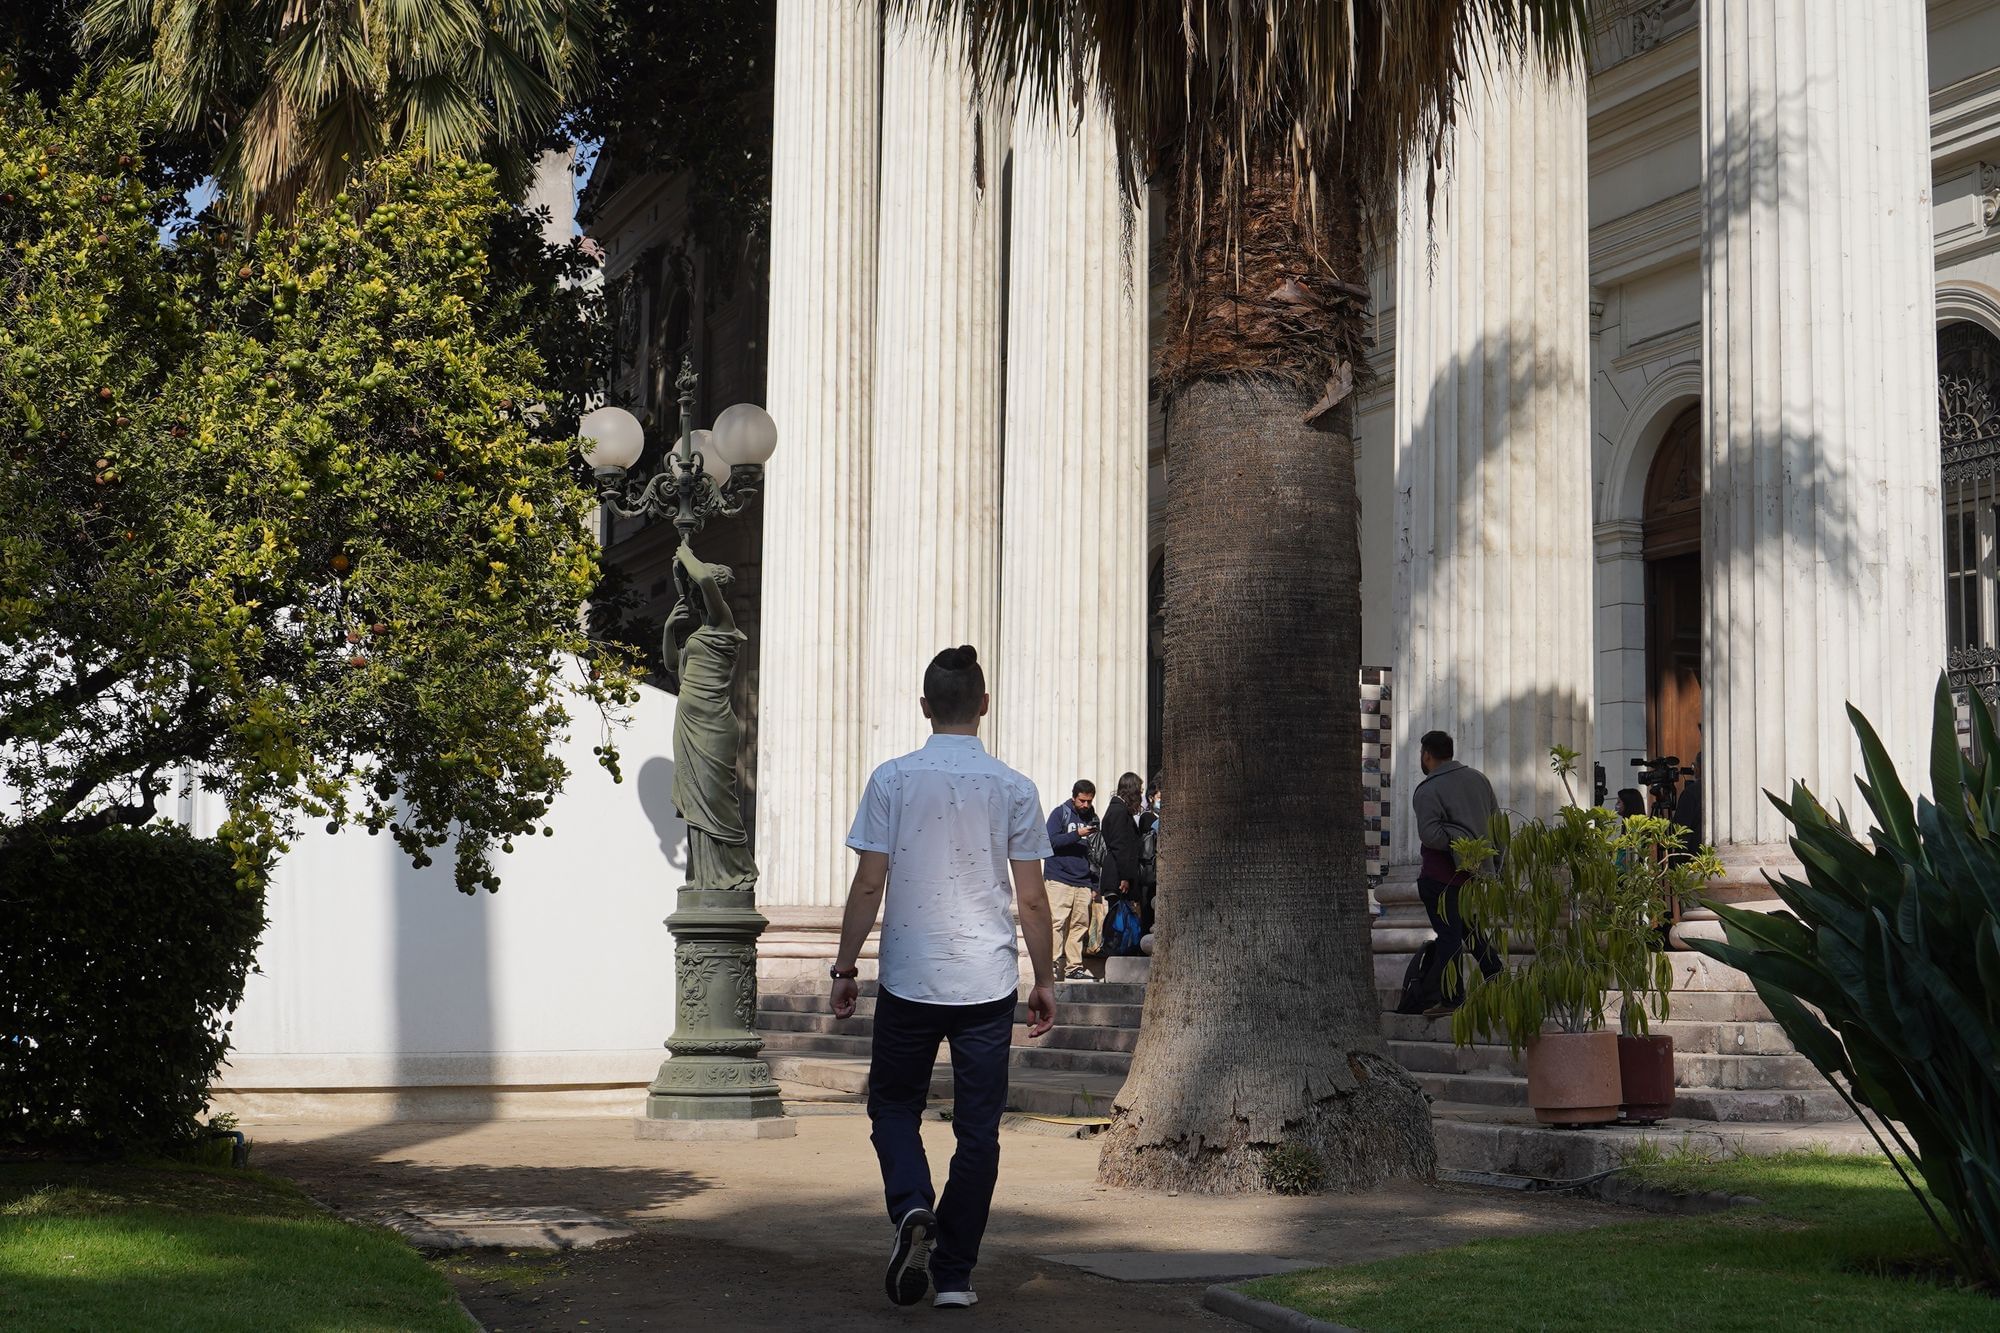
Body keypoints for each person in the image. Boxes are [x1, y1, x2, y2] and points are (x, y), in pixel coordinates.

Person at [831, 645, 1057, 1311]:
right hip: (987, 980)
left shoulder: (892, 779)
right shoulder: (1015, 787)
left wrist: (845, 966)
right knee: (979, 1129)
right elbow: (1035, 900)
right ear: (984, 705)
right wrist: (1045, 978)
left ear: (925, 706)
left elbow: (870, 882)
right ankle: (954, 1273)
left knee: (893, 1106)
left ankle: (911, 1205)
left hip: (909, 975)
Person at [1411, 730, 1504, 1018]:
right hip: (1473, 872)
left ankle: (1452, 998)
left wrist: (1454, 836)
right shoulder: (1479, 780)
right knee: (1469, 931)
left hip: (1440, 874)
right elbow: (1497, 823)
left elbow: (1430, 835)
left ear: (1426, 754)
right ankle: (1496, 976)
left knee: (1449, 935)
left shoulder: (1428, 789)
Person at [1043, 780, 1100, 982]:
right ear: (1074, 797)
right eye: (1082, 801)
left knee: (1079, 926)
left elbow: (1095, 854)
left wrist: (1094, 884)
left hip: (1083, 881)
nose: (1086, 805)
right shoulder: (1060, 813)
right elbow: (1049, 841)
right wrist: (1077, 834)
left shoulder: (1093, 818)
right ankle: (1050, 964)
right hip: (1059, 878)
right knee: (1056, 923)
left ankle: (1074, 966)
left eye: (1089, 801)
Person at [1099, 771, 1145, 909]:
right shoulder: (1119, 811)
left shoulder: (1119, 810)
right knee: (1119, 922)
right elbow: (1120, 846)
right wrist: (1125, 877)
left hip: (1119, 875)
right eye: (1138, 792)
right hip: (1117, 877)